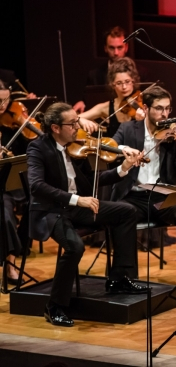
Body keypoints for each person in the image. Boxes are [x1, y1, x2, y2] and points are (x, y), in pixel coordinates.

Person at [27, 102, 147, 327]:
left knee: (127, 212)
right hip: (52, 211)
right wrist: (76, 199)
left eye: (77, 121)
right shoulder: (38, 148)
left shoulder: (74, 147)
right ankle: (54, 306)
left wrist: (124, 168)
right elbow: (36, 185)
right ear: (55, 128)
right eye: (72, 123)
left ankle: (118, 279)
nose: (77, 127)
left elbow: (92, 181)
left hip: (77, 207)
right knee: (75, 247)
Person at [110, 86, 176, 293]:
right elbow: (110, 146)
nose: (165, 114)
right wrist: (124, 150)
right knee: (121, 214)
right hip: (133, 195)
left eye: (168, 109)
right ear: (146, 108)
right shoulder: (128, 129)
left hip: (161, 194)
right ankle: (126, 278)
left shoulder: (173, 134)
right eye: (159, 109)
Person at [0, 80, 32, 285]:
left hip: (13, 179)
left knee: (36, 200)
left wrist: (25, 123)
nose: (2, 106)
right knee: (5, 212)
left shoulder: (12, 119)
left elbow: (32, 142)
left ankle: (19, 244)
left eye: (5, 100)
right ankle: (10, 265)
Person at [78, 57, 145, 135]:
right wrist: (81, 120)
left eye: (127, 82)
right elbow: (72, 119)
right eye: (119, 83)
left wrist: (142, 123)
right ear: (112, 84)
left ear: (133, 81)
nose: (124, 87)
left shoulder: (143, 103)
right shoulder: (105, 107)